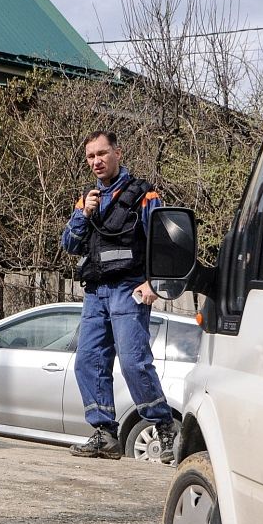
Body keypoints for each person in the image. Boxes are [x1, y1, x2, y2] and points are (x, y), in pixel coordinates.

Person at [61, 130, 177, 463]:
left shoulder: (143, 194)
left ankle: (164, 425)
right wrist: (85, 214)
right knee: (88, 361)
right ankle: (104, 435)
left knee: (132, 362)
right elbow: (68, 244)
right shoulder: (88, 200)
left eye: (102, 153)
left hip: (129, 290)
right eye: (90, 156)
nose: (96, 161)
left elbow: (164, 244)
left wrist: (154, 284)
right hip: (96, 293)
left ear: (118, 152)